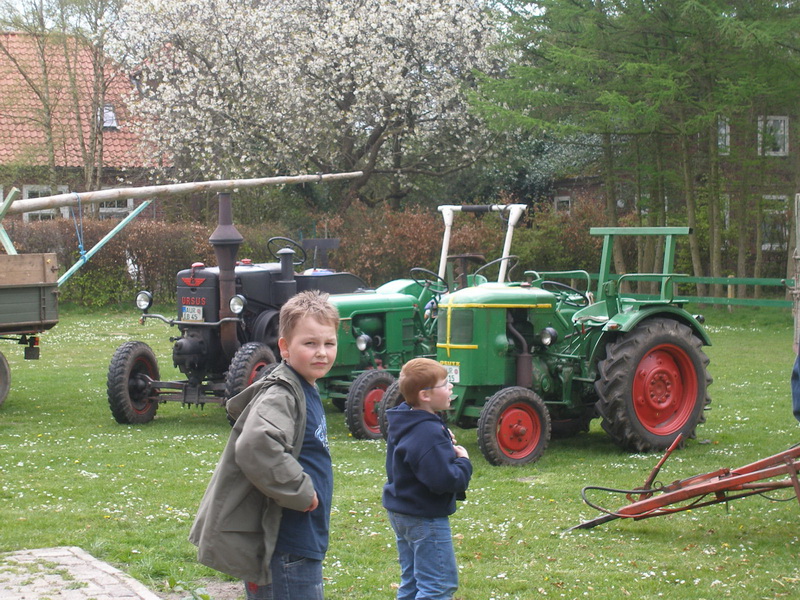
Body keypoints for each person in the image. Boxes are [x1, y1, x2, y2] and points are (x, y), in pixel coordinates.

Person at [189, 290, 339, 600]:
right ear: (284, 346)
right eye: (309, 343)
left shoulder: (305, 387)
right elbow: (256, 444)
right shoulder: (283, 394)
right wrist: (301, 490)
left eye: (329, 343)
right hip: (286, 545)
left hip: (299, 539)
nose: (321, 352)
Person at [382, 357, 473, 600]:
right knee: (438, 585)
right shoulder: (426, 431)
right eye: (445, 383)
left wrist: (440, 436)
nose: (450, 387)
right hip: (425, 517)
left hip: (403, 511)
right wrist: (463, 462)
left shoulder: (407, 419)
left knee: (411, 582)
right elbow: (444, 480)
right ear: (425, 395)